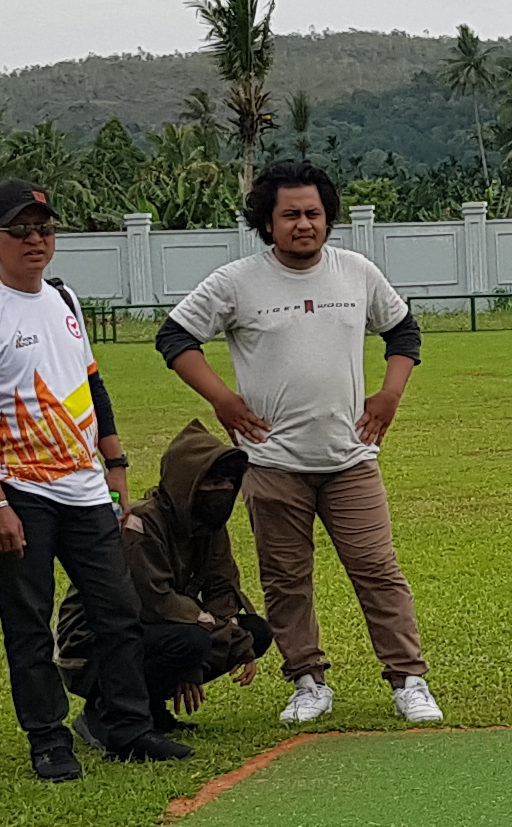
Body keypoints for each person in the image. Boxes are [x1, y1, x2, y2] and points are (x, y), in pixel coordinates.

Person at [160, 160, 443, 727]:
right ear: (267, 223)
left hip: (350, 459)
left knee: (377, 569)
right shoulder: (237, 282)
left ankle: (408, 679)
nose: (304, 224)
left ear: (328, 218)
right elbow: (174, 336)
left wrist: (390, 394)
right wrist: (223, 400)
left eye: (314, 213)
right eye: (290, 215)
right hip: (272, 464)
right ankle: (307, 681)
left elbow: (402, 330)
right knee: (286, 579)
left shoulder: (356, 272)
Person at [0, 180, 184, 780]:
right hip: (19, 490)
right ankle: (48, 738)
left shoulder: (63, 299)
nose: (35, 240)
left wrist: (116, 464)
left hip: (83, 487)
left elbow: (92, 385)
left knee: (119, 609)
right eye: (20, 231)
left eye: (44, 229)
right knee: (28, 621)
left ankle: (127, 726)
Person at [58, 419, 275, 723]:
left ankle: (150, 705)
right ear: (186, 483)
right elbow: (154, 604)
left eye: (228, 483)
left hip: (162, 630)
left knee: (254, 631)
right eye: (212, 484)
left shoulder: (209, 527)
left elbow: (222, 588)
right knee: (191, 642)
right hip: (91, 644)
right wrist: (208, 645)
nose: (223, 491)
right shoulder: (139, 526)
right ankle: (105, 710)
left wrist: (226, 642)